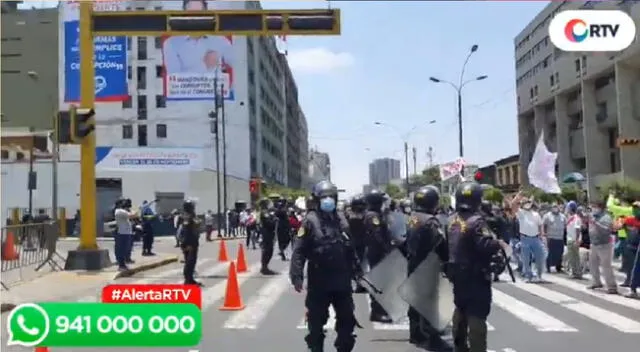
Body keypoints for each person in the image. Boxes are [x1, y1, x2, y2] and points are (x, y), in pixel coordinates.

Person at [290, 180, 360, 352]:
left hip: (341, 280)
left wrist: (356, 268)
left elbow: (350, 247)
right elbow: (299, 251)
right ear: (317, 199)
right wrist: (296, 275)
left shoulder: (341, 219)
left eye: (331, 197)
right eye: (324, 197)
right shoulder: (309, 222)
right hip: (319, 281)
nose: (328, 200)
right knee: (316, 322)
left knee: (347, 320)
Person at [447, 182, 509, 352]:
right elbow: (485, 245)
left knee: (460, 310)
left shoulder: (451, 220)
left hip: (457, 275)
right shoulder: (477, 221)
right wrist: (499, 243)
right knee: (476, 316)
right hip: (476, 275)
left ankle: (459, 347)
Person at [405, 185, 452, 351]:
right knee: (430, 301)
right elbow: (441, 244)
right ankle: (431, 338)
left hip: (413, 264)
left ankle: (415, 333)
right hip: (427, 265)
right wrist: (448, 264)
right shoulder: (431, 221)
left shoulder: (413, 218)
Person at [163, 0, 235, 76]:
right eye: (191, 15)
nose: (195, 19)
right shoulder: (171, 43)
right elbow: (174, 76)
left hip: (214, 87)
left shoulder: (220, 40)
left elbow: (240, 65)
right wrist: (205, 66)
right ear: (184, 15)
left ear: (206, 15)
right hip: (186, 87)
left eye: (199, 14)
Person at [363, 189, 394, 323]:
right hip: (377, 253)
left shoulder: (377, 214)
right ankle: (377, 311)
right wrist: (387, 249)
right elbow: (377, 236)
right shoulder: (372, 216)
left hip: (378, 252)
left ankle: (380, 309)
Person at [510, 194, 546, 282]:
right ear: (522, 204)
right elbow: (512, 205)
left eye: (528, 202)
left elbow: (540, 225)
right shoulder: (521, 213)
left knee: (540, 256)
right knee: (526, 259)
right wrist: (517, 196)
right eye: (525, 202)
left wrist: (542, 235)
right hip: (525, 238)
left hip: (536, 238)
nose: (527, 204)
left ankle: (539, 275)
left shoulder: (536, 214)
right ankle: (528, 276)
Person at [586, 200, 618, 294]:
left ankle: (612, 287)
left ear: (600, 207)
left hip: (604, 245)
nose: (593, 209)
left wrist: (596, 223)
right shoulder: (593, 216)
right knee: (592, 264)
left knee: (606, 266)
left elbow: (607, 230)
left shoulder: (606, 217)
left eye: (594, 207)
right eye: (592, 207)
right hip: (594, 244)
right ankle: (596, 282)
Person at [346, 194, 367, 293]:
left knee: (359, 264)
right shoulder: (349, 215)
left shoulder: (366, 215)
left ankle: (359, 283)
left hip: (360, 243)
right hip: (354, 243)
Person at [178, 199, 202, 286]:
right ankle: (187, 280)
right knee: (189, 262)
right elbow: (187, 230)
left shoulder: (188, 216)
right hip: (190, 242)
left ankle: (190, 279)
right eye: (192, 206)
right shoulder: (188, 217)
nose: (194, 208)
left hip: (191, 242)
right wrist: (188, 244)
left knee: (191, 261)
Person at [113, 199, 137, 271]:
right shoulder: (119, 211)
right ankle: (121, 265)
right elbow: (132, 215)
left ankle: (123, 264)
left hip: (126, 233)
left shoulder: (122, 211)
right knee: (122, 249)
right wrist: (135, 211)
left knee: (125, 249)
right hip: (123, 233)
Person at [542, 204, 566, 273]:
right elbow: (544, 225)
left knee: (559, 252)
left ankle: (558, 267)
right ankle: (548, 267)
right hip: (551, 237)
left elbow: (565, 225)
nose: (555, 208)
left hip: (560, 237)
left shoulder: (562, 216)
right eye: (554, 206)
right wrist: (544, 234)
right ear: (551, 208)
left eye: (556, 206)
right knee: (550, 253)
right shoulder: (547, 216)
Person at [259, 198, 279, 275]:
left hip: (269, 233)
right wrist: (274, 220)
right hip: (266, 234)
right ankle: (264, 267)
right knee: (267, 251)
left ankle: (265, 267)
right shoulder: (264, 212)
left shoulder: (267, 212)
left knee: (269, 250)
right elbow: (268, 223)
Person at [565, 201, 583, 279]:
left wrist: (576, 240)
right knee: (571, 257)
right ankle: (575, 272)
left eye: (568, 208)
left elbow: (577, 229)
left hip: (574, 240)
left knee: (575, 257)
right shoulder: (570, 217)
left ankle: (578, 272)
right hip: (569, 239)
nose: (567, 209)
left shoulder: (576, 218)